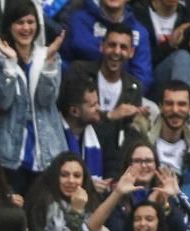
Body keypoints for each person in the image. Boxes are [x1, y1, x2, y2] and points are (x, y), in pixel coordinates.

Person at [0, 0, 66, 194]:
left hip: (45, 152)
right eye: (19, 23)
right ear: (9, 26)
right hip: (9, 154)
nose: (26, 28)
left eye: (30, 22)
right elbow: (3, 102)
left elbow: (48, 99)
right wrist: (11, 65)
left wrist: (48, 63)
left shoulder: (47, 55)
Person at [66, 22, 146, 179]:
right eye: (112, 45)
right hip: (73, 151)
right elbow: (69, 116)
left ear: (131, 52)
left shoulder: (134, 87)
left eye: (123, 47)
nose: (116, 51)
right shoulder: (79, 71)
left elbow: (125, 139)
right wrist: (109, 116)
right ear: (101, 46)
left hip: (109, 164)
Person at [133, 0, 190, 116]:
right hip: (150, 82)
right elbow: (141, 59)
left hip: (180, 74)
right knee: (181, 57)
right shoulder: (139, 13)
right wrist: (169, 45)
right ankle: (189, 117)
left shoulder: (187, 15)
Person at [63, 0, 153, 94]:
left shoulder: (140, 32)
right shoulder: (79, 20)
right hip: (80, 94)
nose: (117, 51)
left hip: (124, 98)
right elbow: (63, 61)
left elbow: (142, 79)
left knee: (152, 108)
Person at [136, 80, 190, 174]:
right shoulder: (141, 142)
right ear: (160, 107)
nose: (175, 110)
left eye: (182, 104)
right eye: (169, 104)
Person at [59, 77, 105, 182]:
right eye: (93, 105)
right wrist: (89, 186)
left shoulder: (100, 133)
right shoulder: (54, 137)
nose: (99, 109)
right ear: (74, 111)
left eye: (98, 103)